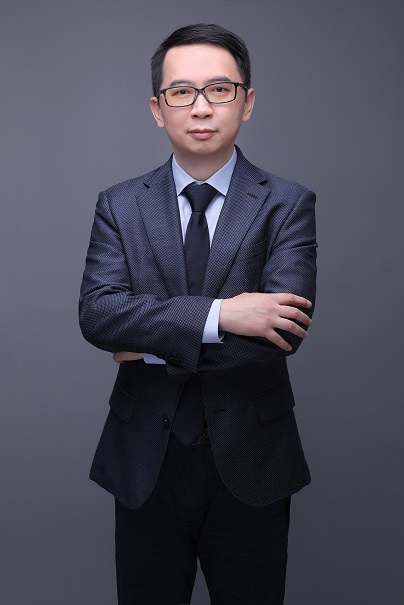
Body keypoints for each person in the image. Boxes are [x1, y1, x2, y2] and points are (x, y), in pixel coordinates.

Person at [79, 23, 317, 605]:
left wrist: (146, 342)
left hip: (254, 460)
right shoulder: (120, 204)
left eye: (220, 89)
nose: (201, 107)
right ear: (157, 109)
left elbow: (280, 333)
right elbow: (99, 316)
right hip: (144, 461)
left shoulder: (287, 204)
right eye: (181, 92)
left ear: (247, 102)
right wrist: (223, 316)